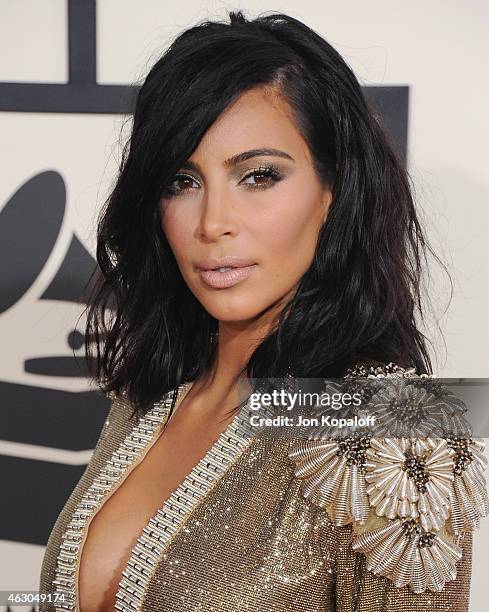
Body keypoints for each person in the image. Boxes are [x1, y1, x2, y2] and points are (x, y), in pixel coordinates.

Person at [38, 10, 488, 612]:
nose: (213, 223)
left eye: (258, 176)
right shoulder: (152, 394)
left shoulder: (394, 429)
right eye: (181, 181)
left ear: (333, 191)